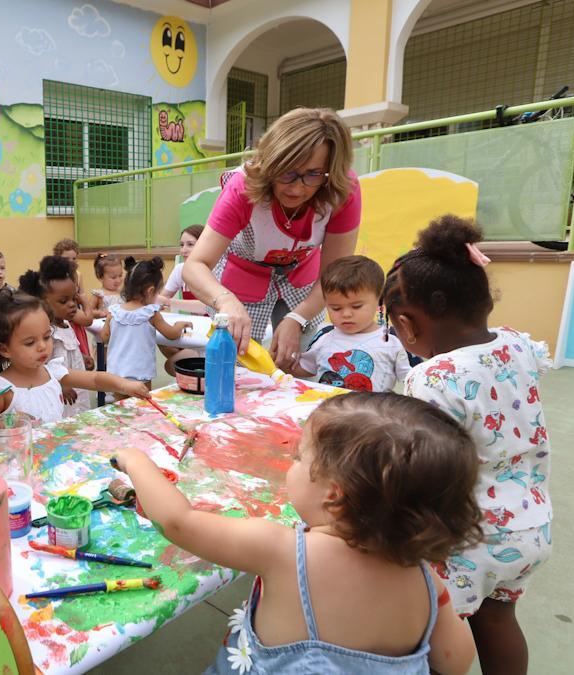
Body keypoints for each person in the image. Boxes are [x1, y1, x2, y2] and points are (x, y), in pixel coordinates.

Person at [116, 392, 481, 675]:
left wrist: (135, 460)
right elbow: (455, 660)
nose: (290, 462)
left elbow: (179, 522)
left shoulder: (282, 551)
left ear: (334, 495)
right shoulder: (426, 579)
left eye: (299, 458)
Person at [385, 216, 552, 674]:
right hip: (531, 527)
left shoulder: (431, 377)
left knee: (445, 634)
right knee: (499, 620)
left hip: (467, 537)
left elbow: (428, 466)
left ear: (407, 323)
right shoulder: (517, 345)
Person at [181, 107, 361, 374]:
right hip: (242, 275)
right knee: (237, 362)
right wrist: (225, 301)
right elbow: (195, 266)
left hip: (302, 279)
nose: (296, 187)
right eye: (286, 172)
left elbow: (334, 273)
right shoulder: (242, 187)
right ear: (269, 163)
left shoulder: (343, 191)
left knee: (297, 361)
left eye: (312, 174)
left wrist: (298, 318)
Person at [0, 291, 149, 426]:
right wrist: (8, 422)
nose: (43, 346)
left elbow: (95, 379)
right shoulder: (0, 389)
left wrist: (124, 384)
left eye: (46, 336)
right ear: (4, 349)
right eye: (30, 342)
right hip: (23, 463)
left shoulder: (52, 373)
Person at [292, 256, 411, 392]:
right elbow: (305, 367)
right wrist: (278, 361)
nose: (346, 314)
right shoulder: (324, 337)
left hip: (375, 411)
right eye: (336, 308)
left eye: (356, 306)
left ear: (380, 301)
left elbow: (412, 379)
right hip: (329, 409)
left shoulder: (393, 339)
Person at [99, 257, 189, 395]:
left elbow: (104, 337)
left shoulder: (114, 311)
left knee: (120, 407)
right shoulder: (151, 313)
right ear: (150, 291)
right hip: (140, 372)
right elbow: (171, 335)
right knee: (141, 406)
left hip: (116, 372)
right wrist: (179, 325)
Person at [18, 256, 89, 417]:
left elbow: (68, 352)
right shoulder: (48, 332)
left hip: (77, 386)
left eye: (73, 298)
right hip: (61, 392)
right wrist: (61, 385)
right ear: (44, 302)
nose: (72, 304)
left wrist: (82, 357)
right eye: (63, 301)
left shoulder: (66, 324)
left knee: (80, 416)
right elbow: (42, 365)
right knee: (64, 421)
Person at [157, 225, 211, 375]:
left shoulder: (214, 269)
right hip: (192, 330)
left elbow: (207, 307)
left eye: (190, 245)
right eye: (181, 245)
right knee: (159, 337)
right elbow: (161, 299)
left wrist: (168, 302)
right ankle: (195, 371)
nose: (184, 250)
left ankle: (195, 371)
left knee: (171, 365)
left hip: (210, 335)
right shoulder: (180, 269)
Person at [87, 253, 124, 320]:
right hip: (106, 326)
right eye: (113, 277)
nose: (118, 280)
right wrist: (100, 313)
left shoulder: (123, 292)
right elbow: (88, 311)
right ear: (100, 277)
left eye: (120, 275)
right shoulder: (99, 294)